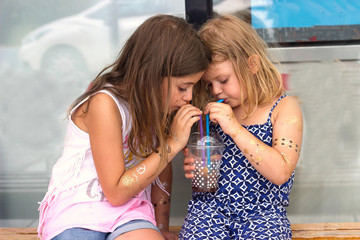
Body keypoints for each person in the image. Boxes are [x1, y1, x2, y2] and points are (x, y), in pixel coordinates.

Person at [37, 14, 211, 240]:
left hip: (130, 212)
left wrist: (160, 225)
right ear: (152, 75)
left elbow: (160, 165)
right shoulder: (105, 104)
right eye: (182, 87)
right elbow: (116, 192)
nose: (188, 97)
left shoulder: (157, 106)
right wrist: (173, 143)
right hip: (79, 210)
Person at [180, 15, 303, 239]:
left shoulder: (283, 108)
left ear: (252, 64)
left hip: (264, 213)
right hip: (209, 210)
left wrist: (235, 128)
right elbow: (199, 163)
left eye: (223, 80)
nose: (215, 90)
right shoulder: (209, 113)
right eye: (209, 84)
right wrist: (192, 164)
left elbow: (280, 172)